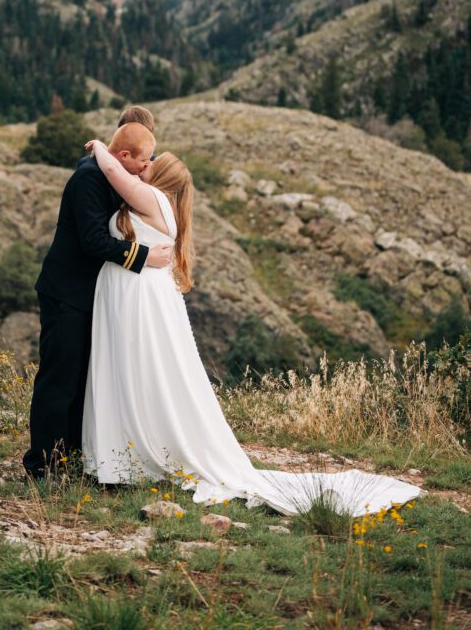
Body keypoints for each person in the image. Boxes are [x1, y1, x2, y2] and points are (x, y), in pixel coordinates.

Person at [81, 139, 422, 517]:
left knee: (142, 371)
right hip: (131, 293)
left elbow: (113, 171)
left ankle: (137, 456)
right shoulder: (148, 202)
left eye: (150, 164)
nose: (143, 166)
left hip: (141, 296)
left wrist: (100, 147)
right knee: (135, 372)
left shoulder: (155, 201)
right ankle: (128, 453)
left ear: (159, 178)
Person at [23, 120, 173, 480]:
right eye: (143, 160)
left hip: (91, 297)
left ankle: (72, 458)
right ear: (123, 155)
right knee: (59, 381)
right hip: (66, 293)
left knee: (83, 381)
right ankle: (41, 466)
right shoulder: (88, 179)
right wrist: (143, 257)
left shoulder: (109, 174)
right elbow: (92, 240)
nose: (145, 167)